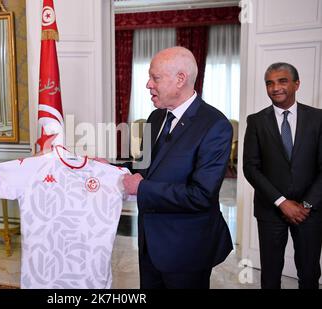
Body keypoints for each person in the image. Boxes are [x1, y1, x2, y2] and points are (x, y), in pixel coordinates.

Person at [122, 47, 233, 289]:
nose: (148, 84)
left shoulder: (215, 126)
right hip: (150, 243)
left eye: (155, 78)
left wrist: (142, 189)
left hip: (187, 249)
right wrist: (107, 167)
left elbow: (201, 195)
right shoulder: (155, 118)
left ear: (180, 79)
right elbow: (143, 167)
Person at [243, 62, 322, 289]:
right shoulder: (256, 121)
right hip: (270, 208)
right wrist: (282, 202)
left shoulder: (318, 119)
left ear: (297, 84)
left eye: (282, 81)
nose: (275, 87)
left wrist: (305, 204)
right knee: (270, 274)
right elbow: (251, 168)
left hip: (311, 211)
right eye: (270, 83)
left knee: (309, 274)